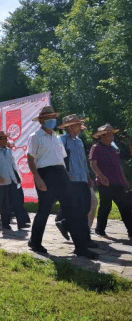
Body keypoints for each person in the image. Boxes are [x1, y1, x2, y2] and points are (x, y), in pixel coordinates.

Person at [27, 106, 97, 259]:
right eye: (48, 118)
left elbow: (61, 159)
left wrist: (66, 175)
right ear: (41, 120)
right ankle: (35, 241)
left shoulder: (55, 137)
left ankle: (80, 247)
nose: (52, 120)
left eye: (53, 117)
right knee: (44, 210)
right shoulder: (35, 137)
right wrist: (37, 178)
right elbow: (31, 159)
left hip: (61, 174)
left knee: (73, 210)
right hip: (45, 174)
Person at [56, 115, 98, 246]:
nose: (80, 127)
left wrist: (88, 176)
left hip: (83, 179)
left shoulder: (79, 141)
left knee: (86, 208)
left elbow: (83, 161)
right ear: (69, 127)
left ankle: (65, 223)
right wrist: (64, 175)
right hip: (71, 180)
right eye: (77, 125)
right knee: (77, 211)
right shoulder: (62, 140)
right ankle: (84, 240)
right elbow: (58, 160)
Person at [90, 124, 132, 239]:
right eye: (109, 134)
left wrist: (124, 180)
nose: (112, 136)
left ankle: (131, 232)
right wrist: (101, 176)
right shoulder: (96, 147)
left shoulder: (113, 148)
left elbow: (118, 166)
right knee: (105, 207)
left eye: (112, 134)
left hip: (118, 182)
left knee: (125, 207)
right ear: (102, 136)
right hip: (105, 183)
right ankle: (100, 230)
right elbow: (93, 164)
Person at [0, 131, 24, 230]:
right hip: (0, 181)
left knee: (16, 201)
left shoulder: (8, 150)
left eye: (6, 139)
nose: (5, 141)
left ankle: (21, 222)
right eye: (3, 139)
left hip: (11, 179)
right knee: (3, 203)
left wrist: (16, 177)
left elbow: (12, 164)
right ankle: (5, 223)